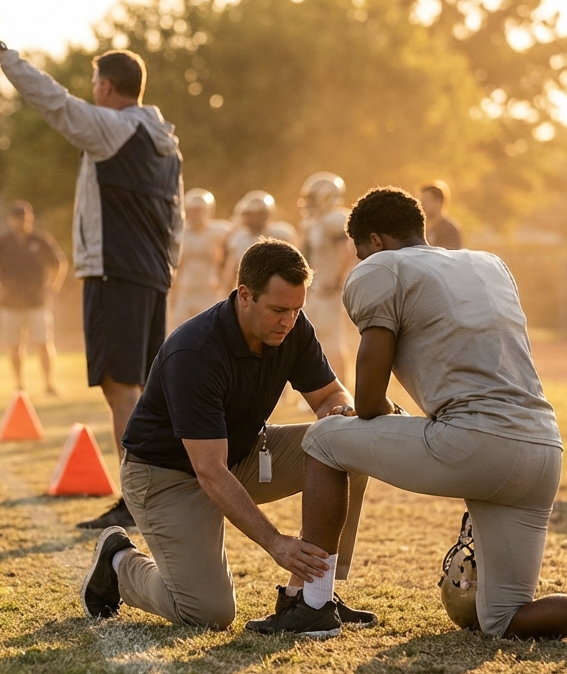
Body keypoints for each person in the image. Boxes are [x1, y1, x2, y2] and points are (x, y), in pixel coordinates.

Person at [246, 187, 567, 655]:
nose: (359, 261)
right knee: (501, 617)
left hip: (474, 442)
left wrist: (382, 414)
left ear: (373, 240)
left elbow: (368, 398)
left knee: (326, 437)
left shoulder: (380, 268)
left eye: (360, 252)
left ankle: (311, 603)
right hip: (542, 449)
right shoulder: (490, 264)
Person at [78, 239, 376, 632]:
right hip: (167, 476)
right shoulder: (195, 352)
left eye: (296, 310)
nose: (289, 321)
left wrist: (338, 410)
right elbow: (210, 472)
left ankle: (310, 597)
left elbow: (329, 394)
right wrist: (275, 542)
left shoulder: (293, 328)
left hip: (240, 454)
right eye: (278, 310)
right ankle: (117, 563)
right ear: (245, 295)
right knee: (208, 613)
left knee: (346, 445)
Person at [0, 2, 183, 530]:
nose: (91, 91)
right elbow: (175, 215)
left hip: (115, 271)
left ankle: (137, 499)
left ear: (109, 89)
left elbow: (53, 102)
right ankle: (157, 495)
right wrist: (167, 266)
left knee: (121, 388)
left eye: (95, 82)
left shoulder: (112, 128)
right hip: (150, 273)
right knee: (141, 387)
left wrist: (2, 51)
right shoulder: (167, 145)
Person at [0, 200, 67, 395]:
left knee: (43, 344)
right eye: (18, 218)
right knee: (14, 346)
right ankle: (19, 384)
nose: (22, 222)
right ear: (11, 220)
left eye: (26, 218)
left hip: (36, 301)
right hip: (10, 303)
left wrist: (53, 286)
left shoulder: (40, 240)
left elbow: (59, 263)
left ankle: (49, 384)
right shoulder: (2, 243)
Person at [297, 172, 357, 382]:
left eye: (313, 197)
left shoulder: (336, 219)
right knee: (316, 341)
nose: (309, 203)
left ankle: (341, 385)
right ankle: (323, 385)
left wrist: (337, 281)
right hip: (317, 289)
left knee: (333, 342)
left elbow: (346, 251)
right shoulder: (314, 223)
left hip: (330, 289)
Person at [167, 188, 231, 331]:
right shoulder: (180, 233)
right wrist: (173, 295)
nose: (194, 214)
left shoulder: (220, 231)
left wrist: (226, 285)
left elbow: (231, 260)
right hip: (185, 292)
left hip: (210, 292)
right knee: (177, 333)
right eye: (191, 210)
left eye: (198, 210)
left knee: (211, 332)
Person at [220, 191, 298, 290]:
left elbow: (295, 265)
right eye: (250, 215)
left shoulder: (281, 234)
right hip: (247, 291)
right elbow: (230, 271)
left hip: (276, 290)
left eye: (258, 214)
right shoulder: (239, 239)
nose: (253, 219)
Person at [419, 180, 462, 249]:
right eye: (420, 200)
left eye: (426, 200)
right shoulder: (419, 228)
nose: (422, 204)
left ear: (438, 202)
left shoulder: (449, 230)